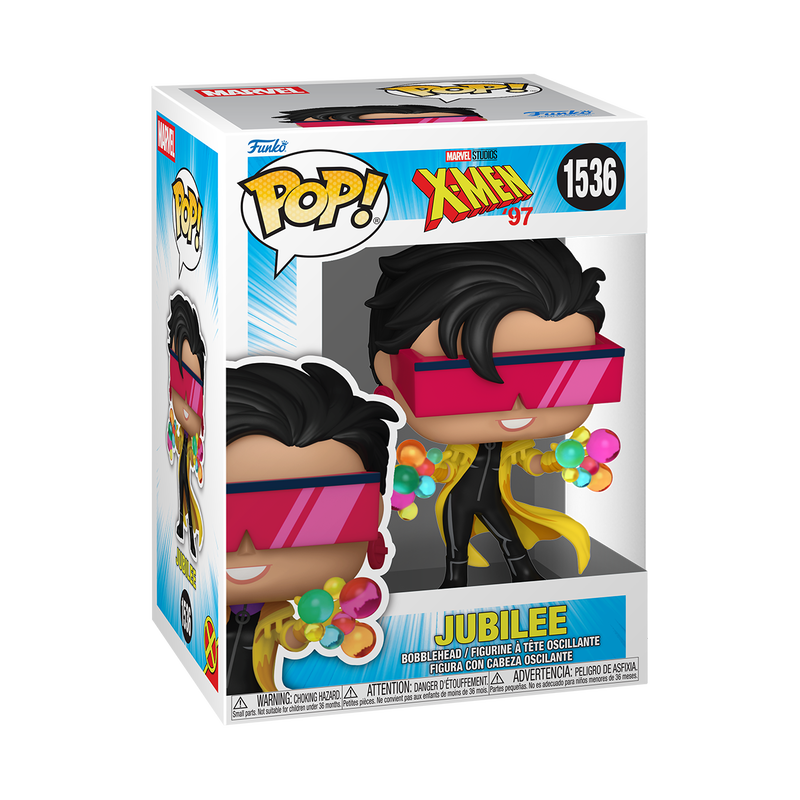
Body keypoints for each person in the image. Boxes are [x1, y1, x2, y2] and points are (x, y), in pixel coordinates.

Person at [366, 239, 611, 588]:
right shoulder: (462, 447)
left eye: (558, 378)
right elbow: (445, 468)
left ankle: (523, 573)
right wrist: (421, 473)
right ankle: (456, 581)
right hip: (459, 498)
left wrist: (559, 461)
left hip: (492, 498)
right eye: (470, 383)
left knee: (508, 537)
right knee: (457, 545)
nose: (518, 406)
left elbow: (532, 463)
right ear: (390, 371)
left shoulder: (514, 446)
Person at [225, 358, 400, 694]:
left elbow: (291, 637)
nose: (248, 547)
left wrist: (310, 628)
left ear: (374, 513)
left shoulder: (276, 613)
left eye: (310, 518)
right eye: (229, 514)